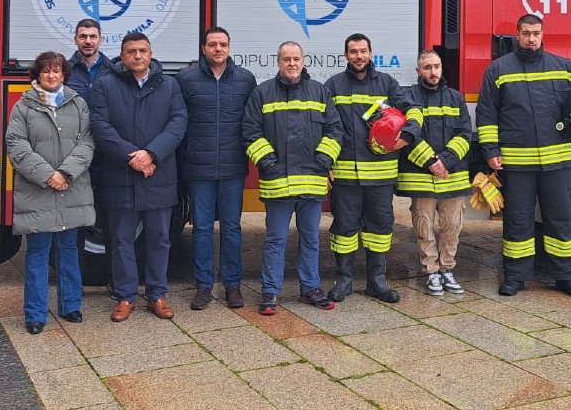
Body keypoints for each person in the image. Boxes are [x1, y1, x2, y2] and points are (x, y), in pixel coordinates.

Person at [476, 14, 571, 299]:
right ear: (517, 35)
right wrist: (491, 151)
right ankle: (515, 277)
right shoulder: (499, 69)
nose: (531, 39)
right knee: (518, 221)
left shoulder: (563, 67)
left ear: (543, 34)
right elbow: (487, 114)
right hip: (518, 162)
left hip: (557, 160)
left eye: (536, 33)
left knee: (561, 219)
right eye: (526, 33)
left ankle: (566, 277)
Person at [89, 32, 188, 322]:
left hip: (158, 175)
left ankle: (157, 294)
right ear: (122, 55)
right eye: (131, 51)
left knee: (159, 239)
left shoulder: (169, 85)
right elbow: (100, 126)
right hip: (121, 175)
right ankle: (125, 296)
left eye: (142, 50)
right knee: (121, 240)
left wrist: (152, 154)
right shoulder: (105, 85)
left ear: (150, 52)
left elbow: (178, 122)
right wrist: (133, 157)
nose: (137, 56)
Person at [242, 41, 342, 315]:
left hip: (312, 180)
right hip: (279, 182)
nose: (292, 63)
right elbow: (250, 131)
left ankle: (310, 288)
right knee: (276, 239)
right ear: (278, 62)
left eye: (296, 58)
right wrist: (268, 162)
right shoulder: (262, 93)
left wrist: (324, 159)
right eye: (286, 59)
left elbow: (335, 130)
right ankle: (270, 292)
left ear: (303, 60)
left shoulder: (320, 92)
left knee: (310, 238)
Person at [324, 33, 422, 304]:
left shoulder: (388, 84)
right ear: (346, 55)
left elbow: (413, 109)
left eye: (363, 51)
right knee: (344, 228)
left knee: (380, 228)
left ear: (370, 53)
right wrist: (326, 163)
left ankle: (377, 281)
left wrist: (409, 134)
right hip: (346, 175)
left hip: (380, 176)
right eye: (353, 51)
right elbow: (323, 126)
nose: (358, 56)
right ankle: (343, 281)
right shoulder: (333, 85)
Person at [5, 51, 97, 334]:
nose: (51, 75)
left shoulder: (78, 103)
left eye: (56, 70)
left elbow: (87, 142)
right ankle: (35, 313)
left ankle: (71, 306)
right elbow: (16, 145)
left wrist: (66, 172)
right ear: (38, 75)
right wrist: (48, 176)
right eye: (45, 71)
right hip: (38, 192)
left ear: (64, 74)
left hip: (71, 188)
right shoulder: (23, 107)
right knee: (37, 253)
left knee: (69, 251)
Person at [176, 27, 257, 310]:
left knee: (232, 228)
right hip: (198, 169)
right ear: (203, 48)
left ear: (229, 48)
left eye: (222, 44)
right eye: (212, 44)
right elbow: (178, 121)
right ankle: (203, 286)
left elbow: (252, 122)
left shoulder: (246, 79)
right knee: (201, 229)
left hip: (234, 167)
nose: (218, 49)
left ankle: (233, 286)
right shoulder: (186, 80)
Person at [396, 50, 472, 296]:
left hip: (452, 174)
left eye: (436, 66)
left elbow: (464, 134)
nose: (433, 71)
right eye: (427, 67)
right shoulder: (408, 98)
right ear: (418, 71)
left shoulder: (455, 98)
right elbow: (407, 135)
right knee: (423, 226)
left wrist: (445, 160)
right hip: (422, 175)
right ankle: (431, 272)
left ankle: (447, 269)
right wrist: (431, 161)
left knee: (452, 225)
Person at [66, 18, 111, 110]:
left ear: (100, 40)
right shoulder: (63, 71)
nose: (88, 41)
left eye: (93, 36)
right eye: (83, 36)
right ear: (75, 40)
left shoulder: (112, 70)